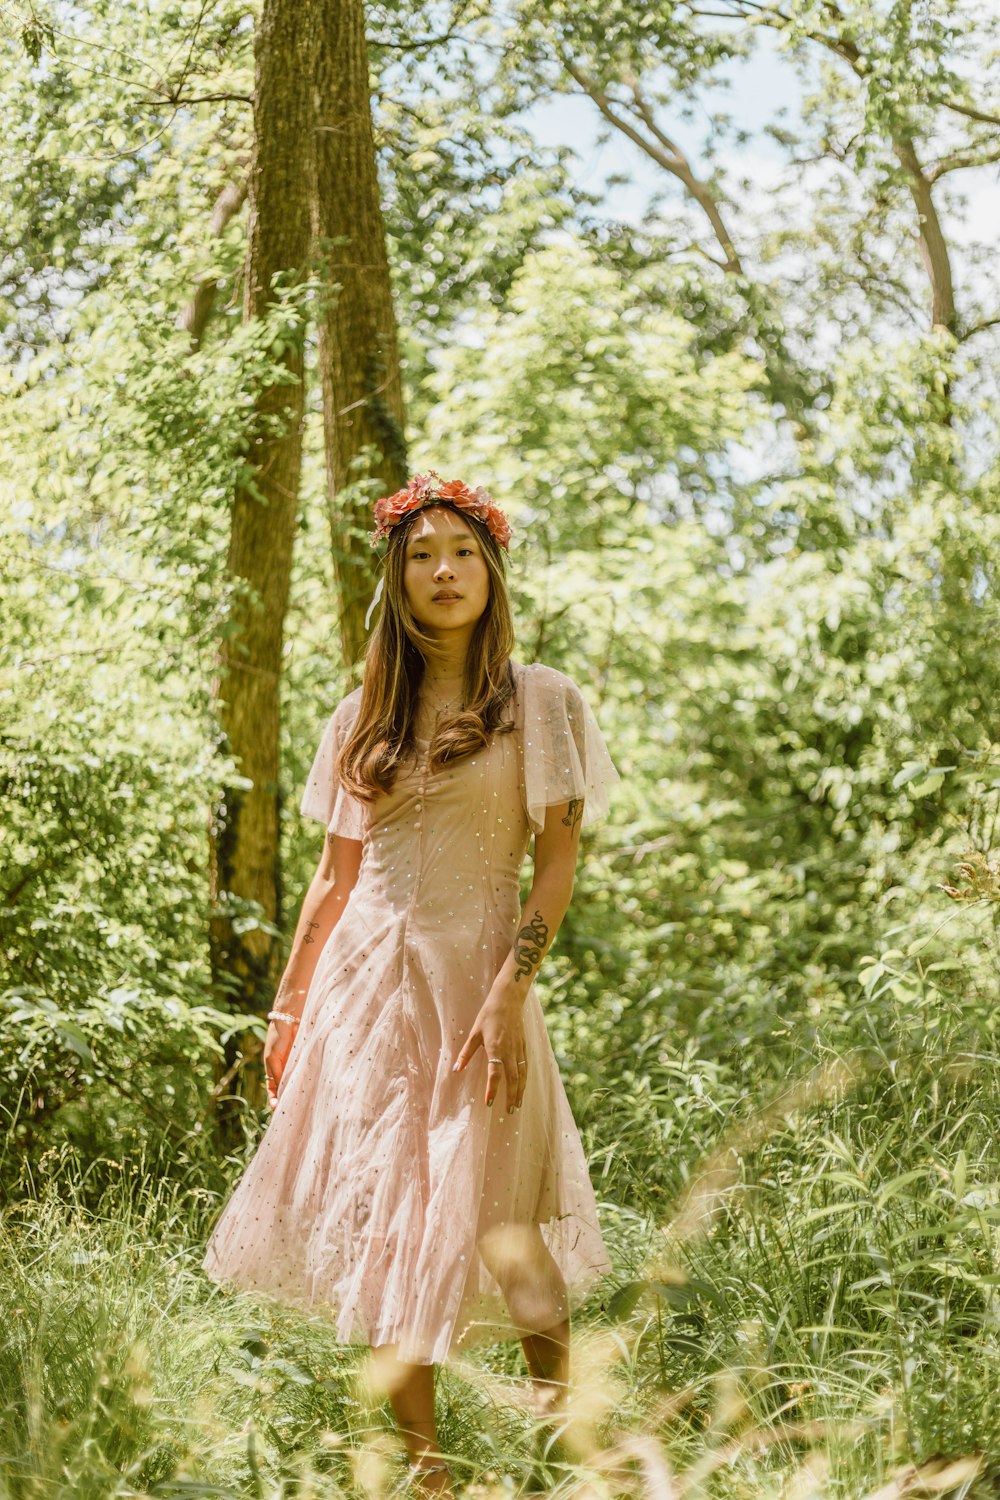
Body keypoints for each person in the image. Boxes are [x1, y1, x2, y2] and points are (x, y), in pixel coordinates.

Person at [201, 472, 621, 1494]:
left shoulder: (542, 700)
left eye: (462, 553)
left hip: (479, 975)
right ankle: (427, 1476)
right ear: (397, 577)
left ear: (490, 572)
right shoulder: (361, 712)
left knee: (505, 1211)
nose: (443, 571)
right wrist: (288, 1008)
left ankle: (570, 1454)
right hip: (362, 989)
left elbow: (557, 864)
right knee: (387, 1212)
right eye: (422, 554)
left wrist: (508, 993)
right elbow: (334, 880)